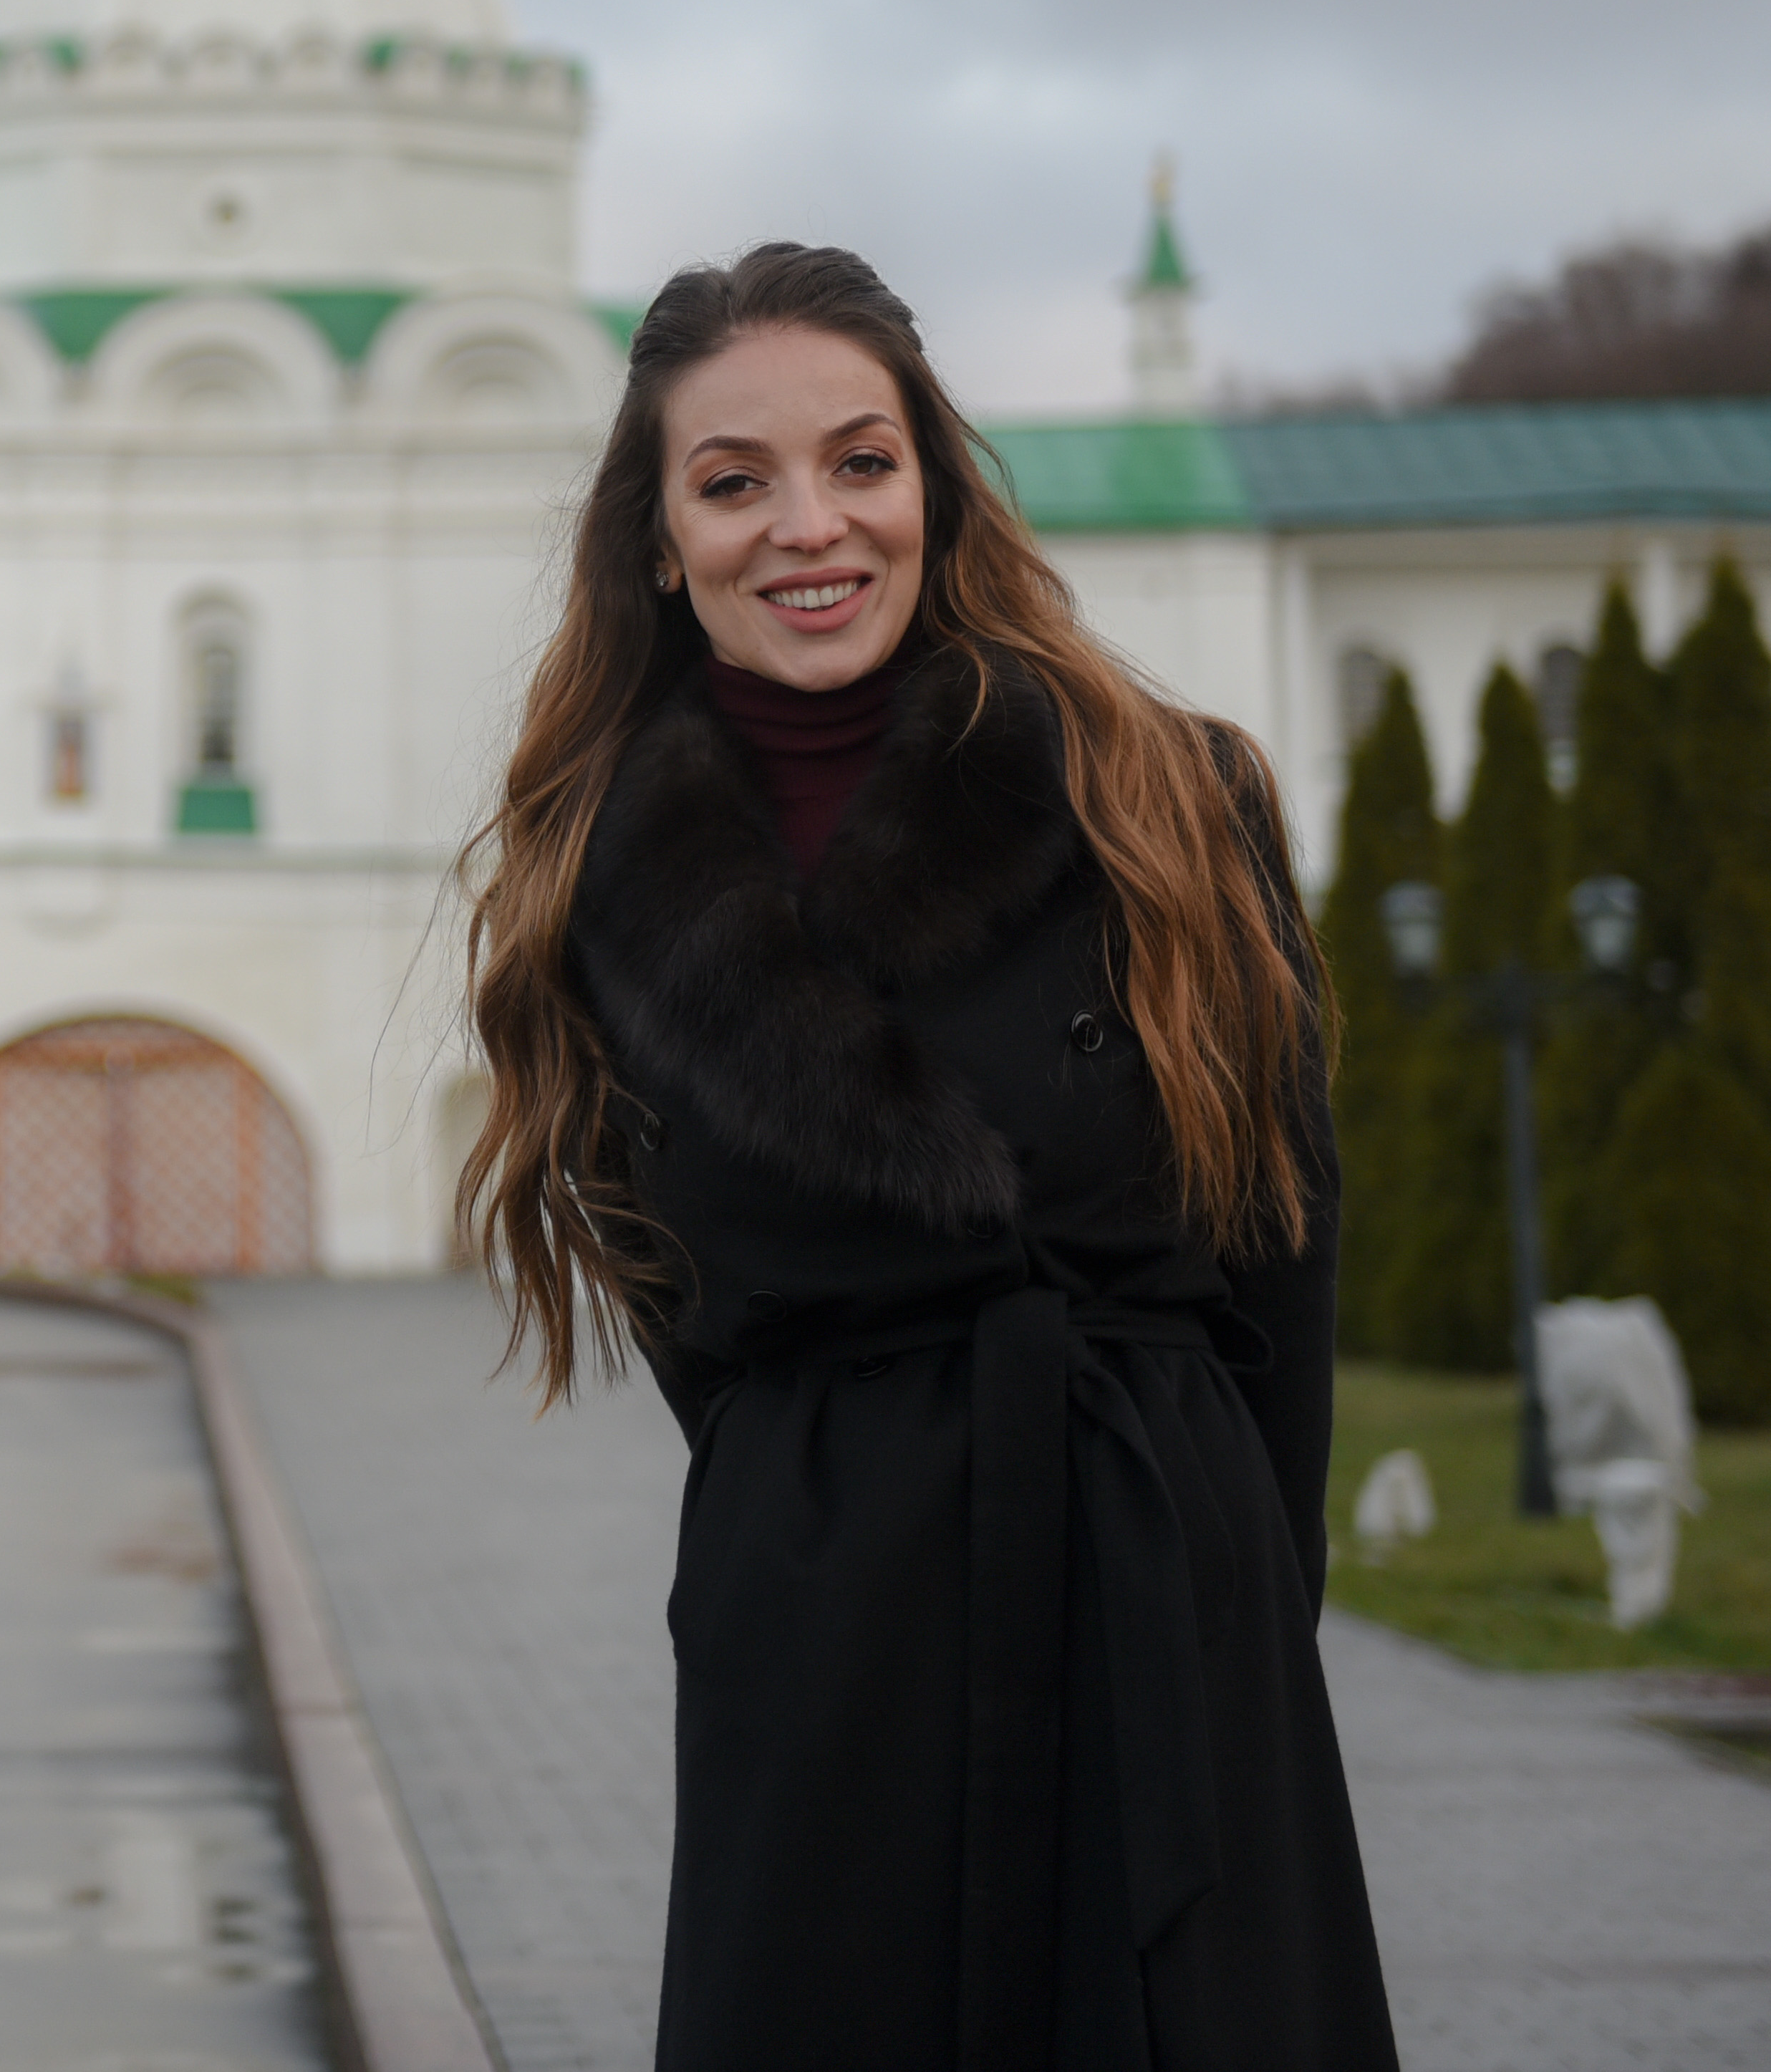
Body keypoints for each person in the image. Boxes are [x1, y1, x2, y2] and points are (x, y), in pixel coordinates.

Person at [460, 243, 1396, 2071]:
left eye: (859, 461)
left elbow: (1281, 1241)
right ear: (657, 538)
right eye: (732, 480)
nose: (806, 525)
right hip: (823, 1621)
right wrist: (815, 1506)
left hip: (1156, 1573)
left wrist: (1238, 1612)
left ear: (934, 488)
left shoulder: (1169, 796)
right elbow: (681, 1311)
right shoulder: (589, 882)